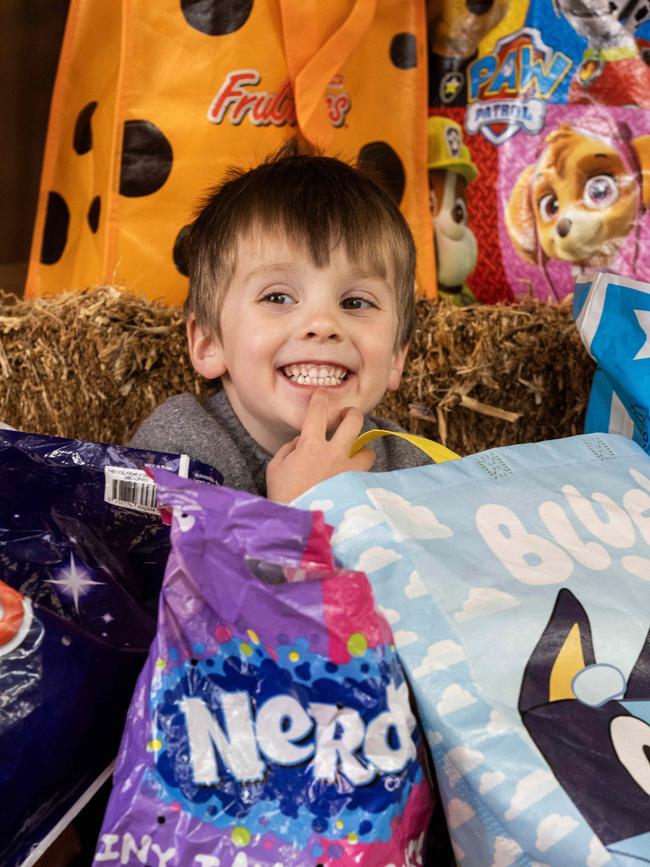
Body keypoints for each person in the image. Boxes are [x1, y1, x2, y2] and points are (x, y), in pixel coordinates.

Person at [129, 138, 432, 502]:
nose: (323, 324)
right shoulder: (180, 451)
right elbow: (167, 560)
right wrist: (299, 505)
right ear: (208, 343)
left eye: (355, 301)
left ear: (397, 356)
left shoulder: (415, 469)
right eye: (277, 297)